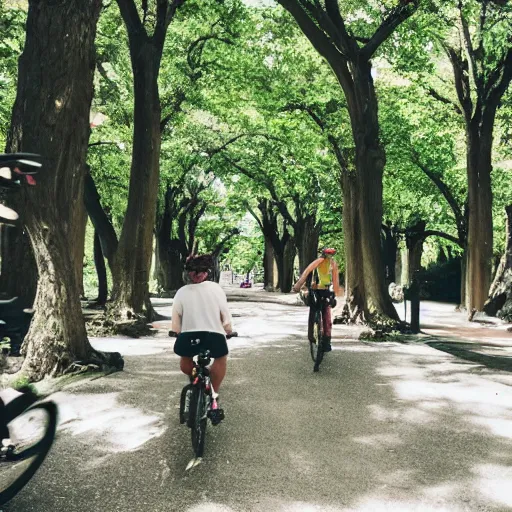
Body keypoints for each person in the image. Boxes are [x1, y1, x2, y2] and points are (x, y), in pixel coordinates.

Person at [171, 253, 233, 412]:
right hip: (214, 336)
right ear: (208, 272)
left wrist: (176, 332)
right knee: (221, 358)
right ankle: (214, 393)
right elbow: (225, 316)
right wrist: (228, 330)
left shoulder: (181, 292)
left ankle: (195, 376)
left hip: (189, 337)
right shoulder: (216, 289)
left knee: (186, 363)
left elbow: (176, 322)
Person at [292, 248, 341, 352]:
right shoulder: (319, 262)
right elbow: (307, 271)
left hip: (326, 290)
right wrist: (299, 285)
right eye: (328, 254)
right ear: (324, 254)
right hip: (315, 290)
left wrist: (336, 293)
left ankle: (326, 341)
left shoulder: (333, 264)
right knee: (314, 311)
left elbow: (335, 279)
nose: (330, 256)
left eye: (331, 254)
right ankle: (313, 337)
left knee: (326, 314)